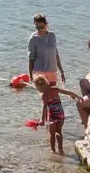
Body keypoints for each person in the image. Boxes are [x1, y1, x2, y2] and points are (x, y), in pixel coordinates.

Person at [27, 14, 67, 154]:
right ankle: (48, 125)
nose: (39, 29)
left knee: (54, 96)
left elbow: (56, 54)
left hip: (52, 71)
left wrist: (61, 70)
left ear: (46, 24)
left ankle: (55, 125)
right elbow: (31, 58)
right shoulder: (33, 38)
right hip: (40, 72)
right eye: (37, 26)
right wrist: (31, 75)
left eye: (41, 26)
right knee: (45, 100)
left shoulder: (52, 36)